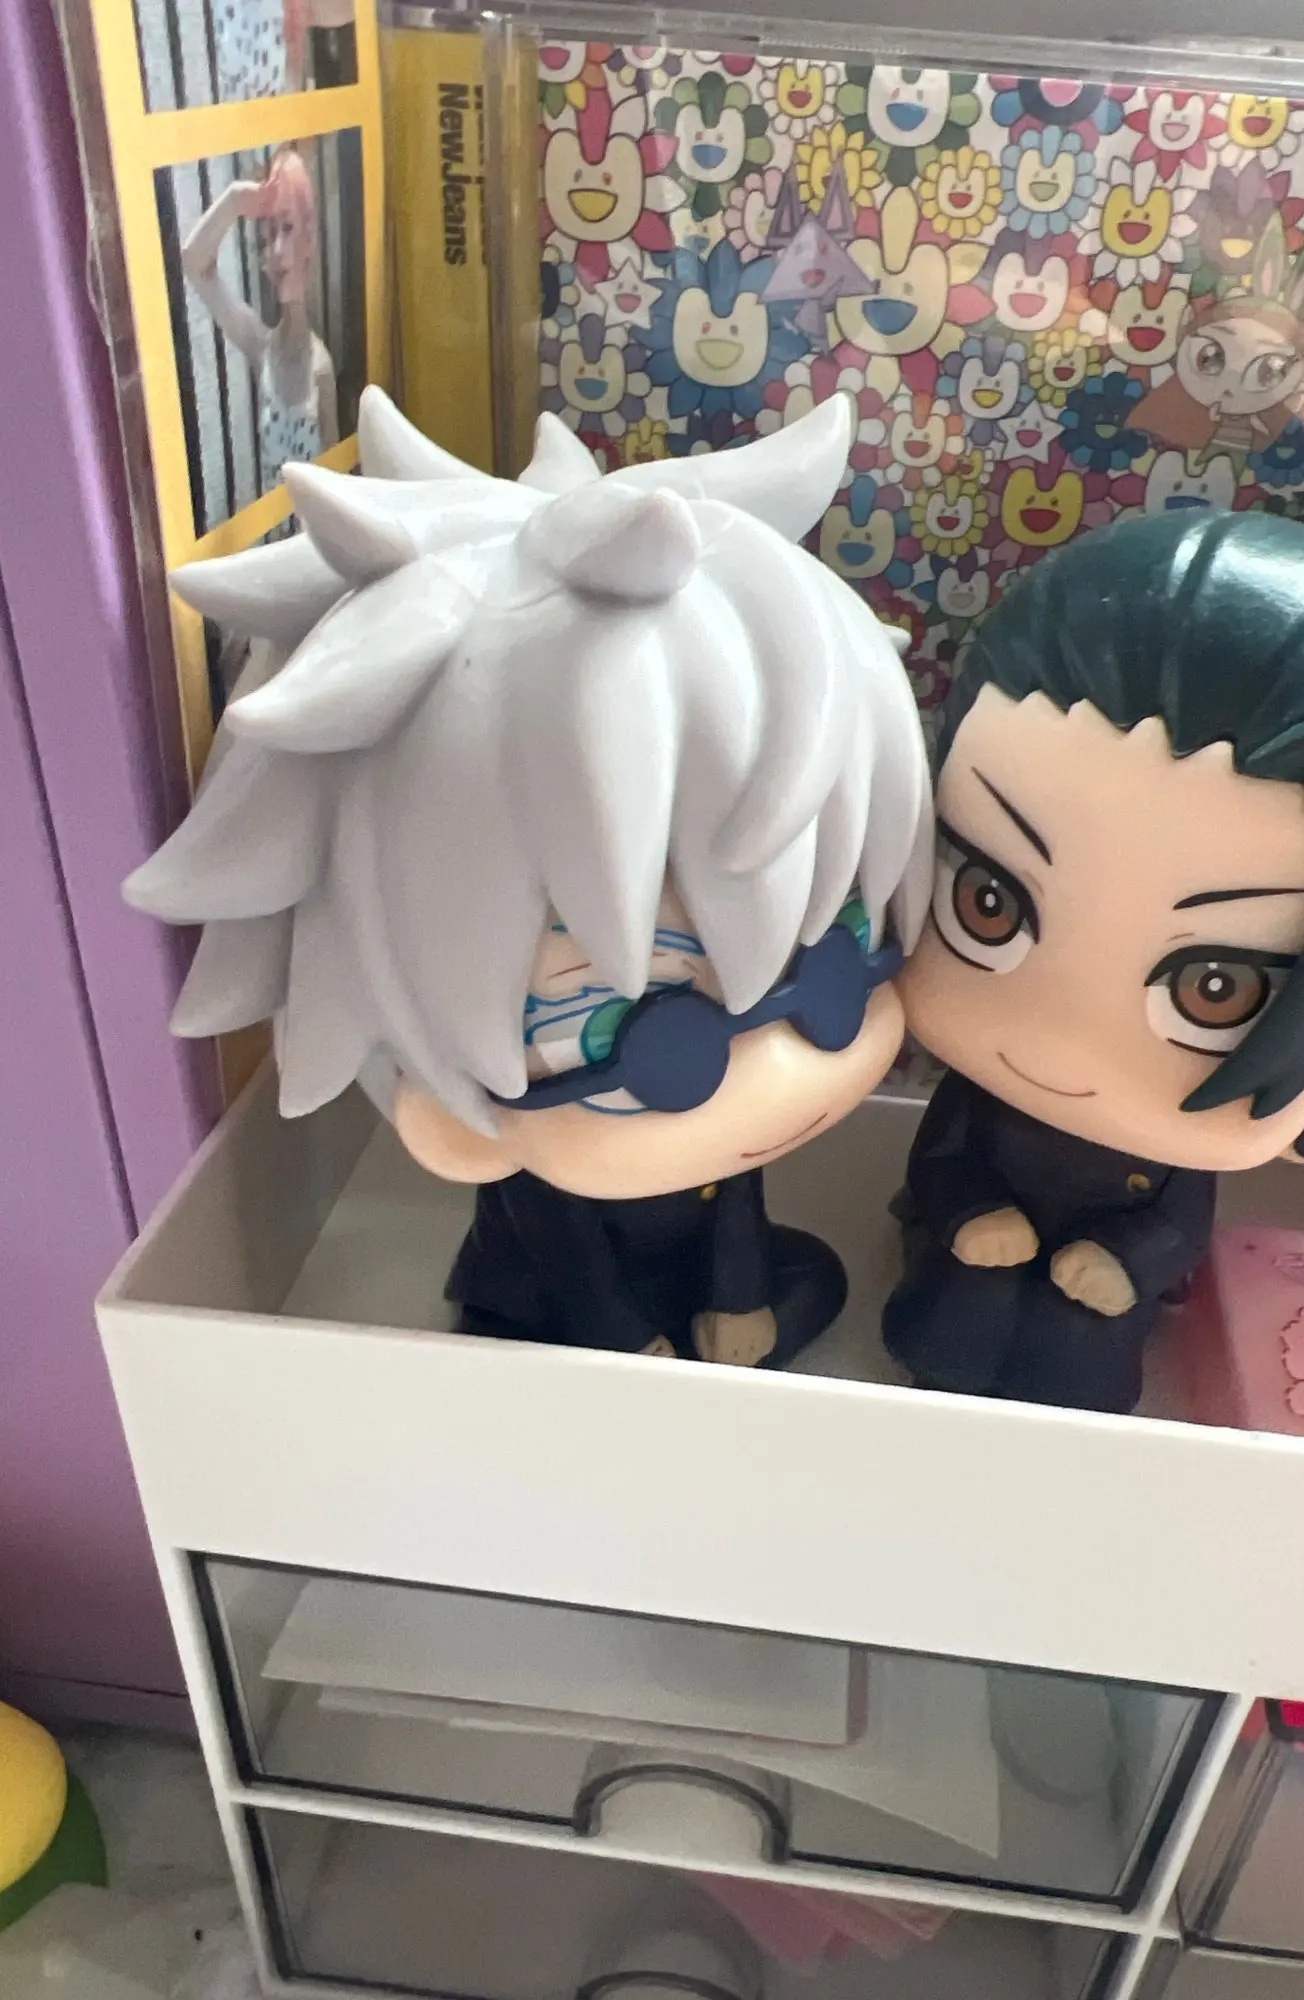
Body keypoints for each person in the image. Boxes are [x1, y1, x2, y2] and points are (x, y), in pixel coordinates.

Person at [126, 390, 933, 1369]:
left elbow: (742, 1203)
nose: (783, 1072)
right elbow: (565, 1256)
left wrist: (740, 1297)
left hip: (692, 1267)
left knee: (809, 1283)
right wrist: (627, 1341)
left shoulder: (727, 1129)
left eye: (840, 959)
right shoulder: (528, 1160)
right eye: (626, 1028)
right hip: (560, 1306)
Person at [886, 509, 1304, 1412]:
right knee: (953, 1315)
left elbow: (1179, 1219)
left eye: (1218, 989)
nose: (1061, 1042)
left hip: (1109, 1278)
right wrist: (968, 1211)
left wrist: (1128, 1259)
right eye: (990, 903)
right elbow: (940, 1160)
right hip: (970, 1243)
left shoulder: (1184, 1141)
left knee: (1086, 1350)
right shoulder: (983, 1092)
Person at [180, 146, 337, 508]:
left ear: (308, 239)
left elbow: (338, 489)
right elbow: (194, 263)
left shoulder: (320, 369)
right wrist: (235, 201)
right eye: (266, 239)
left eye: (287, 229)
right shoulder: (261, 346)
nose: (276, 251)